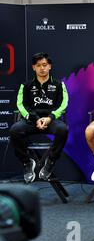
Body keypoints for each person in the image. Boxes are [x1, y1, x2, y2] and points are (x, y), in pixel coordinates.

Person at [9, 52, 69, 182]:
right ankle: (27, 162)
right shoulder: (25, 86)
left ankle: (50, 162)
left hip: (51, 120)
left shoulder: (59, 85)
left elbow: (63, 105)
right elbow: (22, 105)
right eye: (38, 65)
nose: (42, 68)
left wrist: (50, 118)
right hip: (31, 121)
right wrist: (35, 119)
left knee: (63, 130)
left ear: (49, 66)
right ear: (33, 68)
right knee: (15, 130)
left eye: (44, 65)